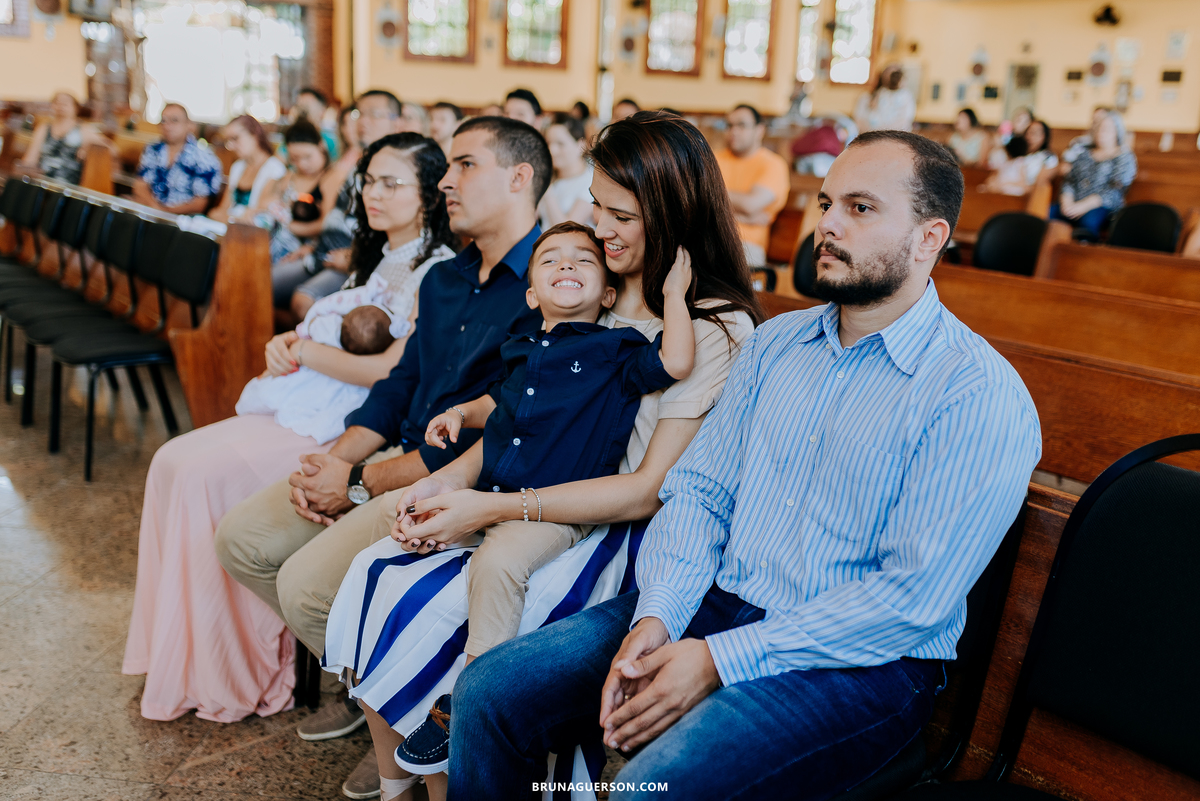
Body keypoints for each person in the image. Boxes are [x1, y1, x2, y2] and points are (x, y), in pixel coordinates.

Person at [450, 129, 1042, 801]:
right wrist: (659, 616)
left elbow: (910, 600)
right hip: (715, 603)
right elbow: (700, 492)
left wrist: (719, 659)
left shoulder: (975, 392)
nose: (828, 224)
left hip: (859, 662)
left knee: (653, 786)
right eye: (825, 203)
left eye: (860, 208)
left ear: (930, 238)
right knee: (490, 691)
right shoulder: (777, 344)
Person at [317, 111, 762, 801]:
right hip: (527, 492)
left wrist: (490, 503)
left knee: (435, 601)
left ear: (672, 213)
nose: (599, 228)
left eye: (620, 214)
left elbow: (647, 490)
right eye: (596, 205)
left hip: (612, 534)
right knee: (379, 565)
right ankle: (397, 782)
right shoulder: (586, 287)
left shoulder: (707, 324)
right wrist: (444, 485)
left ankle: (458, 738)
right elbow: (517, 409)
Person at [214, 116, 552, 800]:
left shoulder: (551, 284)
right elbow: (400, 386)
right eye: (447, 167)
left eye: (464, 165)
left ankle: (396, 718)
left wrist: (361, 484)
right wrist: (336, 462)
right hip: (389, 451)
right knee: (242, 540)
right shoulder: (447, 278)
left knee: (307, 587)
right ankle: (374, 689)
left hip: (449, 477)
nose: (447, 181)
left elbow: (497, 433)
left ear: (519, 178)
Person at [121, 132, 455, 729]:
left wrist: (301, 348)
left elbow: (389, 370)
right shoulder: (380, 253)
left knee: (197, 472)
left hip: (352, 420)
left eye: (390, 183)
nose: (372, 194)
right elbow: (332, 328)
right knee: (172, 462)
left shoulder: (440, 268)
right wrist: (290, 343)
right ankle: (187, 658)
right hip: (317, 399)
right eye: (368, 181)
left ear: (430, 194)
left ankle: (241, 666)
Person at [386, 222, 695, 775]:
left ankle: (469, 698)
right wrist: (461, 413)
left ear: (606, 294)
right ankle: (417, 538)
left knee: (500, 560)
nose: (567, 266)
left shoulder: (615, 349)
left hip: (551, 506)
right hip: (495, 488)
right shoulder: (524, 346)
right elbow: (499, 403)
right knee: (418, 515)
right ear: (532, 294)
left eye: (583, 260)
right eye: (551, 260)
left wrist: (674, 296)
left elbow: (674, 363)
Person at [276, 90, 406, 321]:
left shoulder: (399, 168)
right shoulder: (359, 164)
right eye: (359, 114)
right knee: (262, 283)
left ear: (397, 123)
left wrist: (357, 258)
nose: (363, 122)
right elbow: (340, 215)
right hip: (322, 252)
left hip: (355, 261)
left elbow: (398, 229)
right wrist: (315, 244)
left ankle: (305, 355)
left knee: (303, 301)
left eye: (374, 114)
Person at [237, 280, 407, 445]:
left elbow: (313, 324)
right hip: (322, 369)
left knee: (279, 394)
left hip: (317, 368)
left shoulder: (330, 328)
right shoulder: (366, 337)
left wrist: (300, 341)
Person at [714, 104, 791, 267]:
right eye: (729, 125)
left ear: (759, 130)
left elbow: (750, 204)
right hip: (708, 237)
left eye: (741, 125)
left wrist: (713, 199)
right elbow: (694, 200)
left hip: (746, 246)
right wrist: (742, 216)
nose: (733, 131)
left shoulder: (773, 164)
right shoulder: (713, 159)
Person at [255, 118, 330, 267]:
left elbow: (326, 224)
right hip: (274, 243)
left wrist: (289, 225)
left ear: (321, 147)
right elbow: (264, 204)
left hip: (306, 250)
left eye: (308, 157)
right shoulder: (288, 178)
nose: (302, 164)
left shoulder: (330, 179)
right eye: (295, 159)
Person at [1051, 110, 1136, 236]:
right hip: (1073, 203)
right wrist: (1067, 203)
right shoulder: (1084, 154)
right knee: (1048, 215)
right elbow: (1069, 180)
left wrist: (1083, 206)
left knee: (1088, 222)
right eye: (1099, 128)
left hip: (1103, 207)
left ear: (1117, 132)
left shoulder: (1124, 157)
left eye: (1106, 129)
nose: (1101, 132)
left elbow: (1115, 190)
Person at [132, 103, 224, 215]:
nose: (167, 126)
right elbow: (140, 185)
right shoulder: (153, 149)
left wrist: (165, 212)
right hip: (149, 211)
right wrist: (154, 207)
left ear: (189, 125)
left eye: (174, 120)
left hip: (182, 220)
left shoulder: (204, 158)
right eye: (163, 121)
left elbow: (199, 204)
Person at [16, 91, 114, 185]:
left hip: (69, 185)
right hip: (42, 181)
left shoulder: (83, 129)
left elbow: (112, 149)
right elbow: (30, 158)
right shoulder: (44, 128)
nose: (60, 106)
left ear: (75, 108)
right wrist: (27, 170)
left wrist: (89, 148)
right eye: (57, 103)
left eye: (65, 103)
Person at [208, 114, 287, 224]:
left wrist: (229, 218)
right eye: (228, 141)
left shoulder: (275, 168)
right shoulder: (237, 167)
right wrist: (232, 218)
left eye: (235, 138)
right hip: (231, 227)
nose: (230, 146)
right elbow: (222, 209)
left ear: (254, 134)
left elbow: (258, 213)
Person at [538, 113, 595, 228]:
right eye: (549, 143)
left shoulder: (591, 181)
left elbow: (566, 229)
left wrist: (547, 190)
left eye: (560, 144)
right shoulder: (553, 175)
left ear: (580, 145)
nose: (552, 150)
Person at [984, 118, 1058, 196]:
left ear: (1044, 137)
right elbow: (996, 174)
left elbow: (1039, 185)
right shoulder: (1016, 155)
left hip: (1026, 196)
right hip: (1002, 192)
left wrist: (1006, 185)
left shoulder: (1048, 157)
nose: (1030, 137)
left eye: (1034, 133)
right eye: (1028, 133)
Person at [853, 64, 916, 133]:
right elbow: (859, 120)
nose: (892, 79)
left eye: (896, 75)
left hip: (895, 137)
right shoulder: (868, 97)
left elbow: (905, 121)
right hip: (870, 137)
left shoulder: (906, 97)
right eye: (890, 75)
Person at [293, 86, 341, 159]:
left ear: (322, 110)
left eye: (306, 106)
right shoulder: (292, 138)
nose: (301, 112)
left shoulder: (331, 140)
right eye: (298, 106)